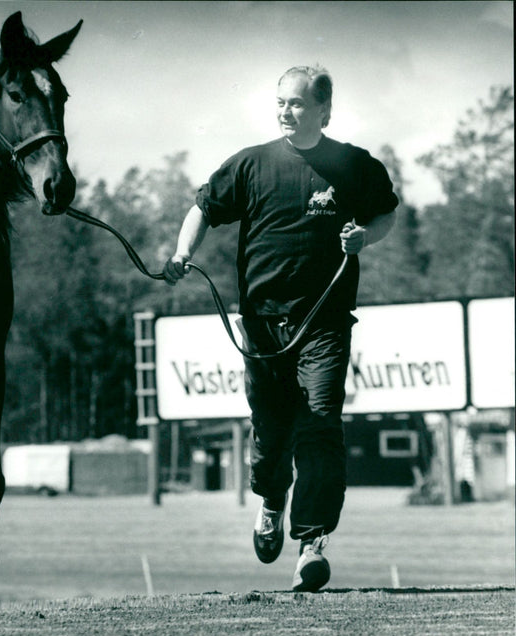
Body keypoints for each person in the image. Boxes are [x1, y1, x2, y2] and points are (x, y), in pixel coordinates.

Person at [163, 65, 398, 592]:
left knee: (318, 424)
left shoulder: (354, 166)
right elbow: (201, 209)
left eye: (295, 103)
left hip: (326, 324)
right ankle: (271, 501)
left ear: (324, 110)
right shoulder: (251, 164)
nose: (284, 111)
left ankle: (311, 544)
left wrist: (366, 236)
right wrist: (183, 253)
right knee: (271, 434)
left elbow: (386, 214)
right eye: (279, 102)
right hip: (265, 327)